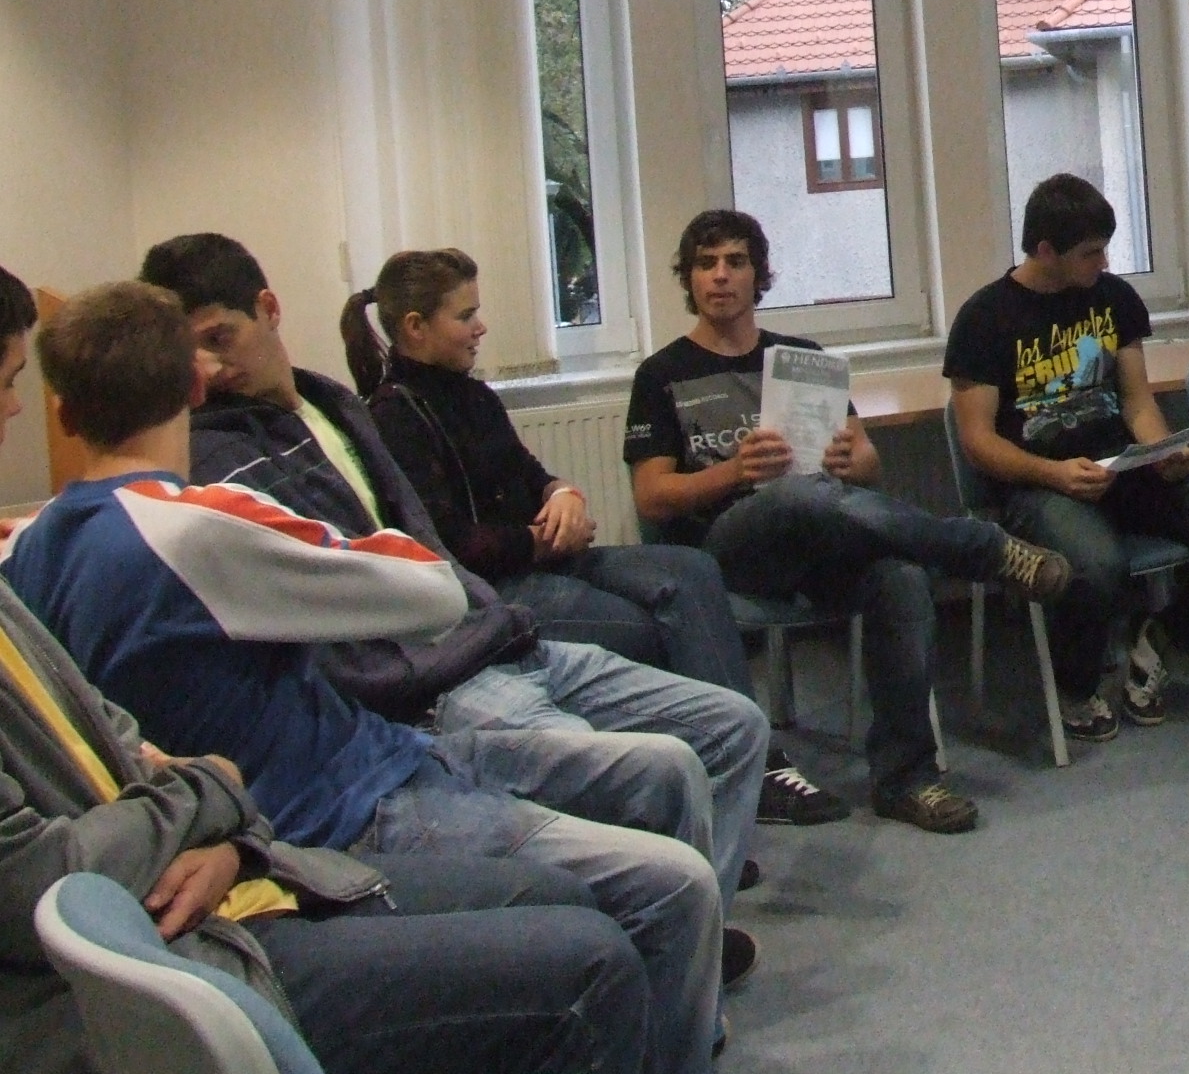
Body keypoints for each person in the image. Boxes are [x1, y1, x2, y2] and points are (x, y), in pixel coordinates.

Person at [4, 281, 725, 1074]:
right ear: (195, 388)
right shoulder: (197, 522)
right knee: (672, 884)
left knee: (657, 772)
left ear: (63, 414)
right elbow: (434, 591)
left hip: (361, 764)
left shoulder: (30, 550)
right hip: (347, 805)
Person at [135, 234, 767, 948]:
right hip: (439, 673)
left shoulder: (336, 406)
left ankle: (698, 930)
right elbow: (406, 574)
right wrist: (529, 549)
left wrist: (562, 493)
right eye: (192, 351)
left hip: (494, 630)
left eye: (220, 338)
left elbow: (447, 528)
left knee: (732, 718)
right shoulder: (229, 451)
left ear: (268, 309)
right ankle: (669, 924)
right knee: (641, 734)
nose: (208, 369)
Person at [341, 249, 834, 827]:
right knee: (648, 628)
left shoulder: (472, 395)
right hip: (496, 589)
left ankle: (748, 763)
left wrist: (564, 494)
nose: (481, 327)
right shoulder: (394, 418)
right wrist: (540, 540)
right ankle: (687, 791)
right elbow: (448, 546)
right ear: (415, 327)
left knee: (692, 570)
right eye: (465, 315)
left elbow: (530, 473)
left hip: (548, 556)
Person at [628, 209, 1069, 834]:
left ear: (758, 275)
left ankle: (905, 777)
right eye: (706, 264)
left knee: (900, 576)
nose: (720, 276)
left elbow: (868, 463)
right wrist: (733, 472)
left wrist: (850, 460)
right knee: (794, 494)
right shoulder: (661, 375)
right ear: (690, 278)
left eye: (735, 262)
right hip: (725, 553)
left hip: (821, 539)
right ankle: (978, 547)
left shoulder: (802, 359)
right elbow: (651, 497)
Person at [947, 174, 1189, 746]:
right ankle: (1077, 688)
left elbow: (1136, 402)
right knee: (1096, 568)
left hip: (1124, 466)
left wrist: (1164, 450)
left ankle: (1163, 646)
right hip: (1037, 482)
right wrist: (1053, 473)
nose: (1103, 262)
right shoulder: (985, 318)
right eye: (1090, 252)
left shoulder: (1113, 298)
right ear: (1044, 250)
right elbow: (978, 441)